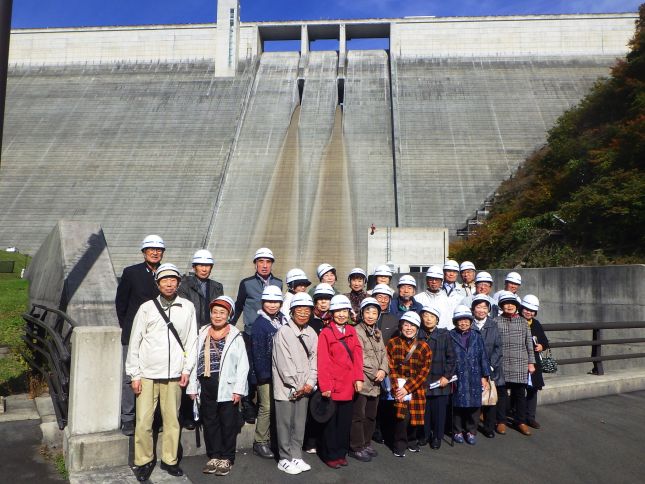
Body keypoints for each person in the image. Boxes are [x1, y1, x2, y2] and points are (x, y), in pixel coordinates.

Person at [126, 263, 198, 481]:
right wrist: (134, 374)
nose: (169, 284)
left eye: (173, 280)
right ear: (157, 284)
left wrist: (186, 369)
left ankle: (170, 460)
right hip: (147, 374)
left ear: (178, 283)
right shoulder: (146, 308)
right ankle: (143, 461)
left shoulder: (187, 307)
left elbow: (191, 342)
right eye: (164, 280)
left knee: (172, 420)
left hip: (174, 374)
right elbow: (135, 342)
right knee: (144, 420)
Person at [187, 295, 249, 477]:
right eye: (215, 312)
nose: (218, 316)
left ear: (228, 315)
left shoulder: (235, 335)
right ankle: (214, 455)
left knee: (228, 423)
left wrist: (239, 389)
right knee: (210, 421)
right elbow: (193, 359)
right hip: (206, 384)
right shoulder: (202, 332)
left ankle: (227, 457)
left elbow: (243, 365)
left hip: (227, 385)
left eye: (222, 312)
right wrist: (192, 386)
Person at [115, 234, 165, 436]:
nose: (155, 252)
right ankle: (128, 418)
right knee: (130, 377)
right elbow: (121, 304)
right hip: (133, 334)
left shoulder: (166, 273)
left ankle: (154, 418)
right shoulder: (131, 273)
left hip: (159, 335)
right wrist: (129, 326)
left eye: (158, 249)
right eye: (151, 249)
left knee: (157, 376)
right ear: (144, 252)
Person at [232, 247, 283, 424]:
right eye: (260, 261)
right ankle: (248, 404)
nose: (264, 265)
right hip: (250, 333)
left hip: (271, 334)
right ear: (255, 264)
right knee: (249, 369)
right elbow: (238, 306)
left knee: (267, 370)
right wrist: (229, 328)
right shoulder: (246, 283)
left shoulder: (278, 283)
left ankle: (263, 403)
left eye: (268, 262)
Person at [177, 249, 224, 429]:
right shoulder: (184, 285)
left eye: (207, 266)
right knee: (188, 374)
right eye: (201, 265)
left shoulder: (216, 286)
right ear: (194, 267)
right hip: (191, 334)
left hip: (210, 334)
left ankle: (205, 413)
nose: (204, 269)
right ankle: (187, 414)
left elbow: (220, 310)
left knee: (207, 374)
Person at [272, 293, 318, 475]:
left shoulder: (311, 332)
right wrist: (297, 385)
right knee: (284, 423)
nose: (303, 313)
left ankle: (296, 455)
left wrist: (310, 382)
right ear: (291, 312)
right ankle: (284, 458)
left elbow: (315, 359)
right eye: (299, 310)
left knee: (299, 422)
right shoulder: (283, 332)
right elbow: (283, 363)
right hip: (286, 388)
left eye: (307, 310)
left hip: (304, 387)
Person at [317, 295, 364, 469]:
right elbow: (323, 361)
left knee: (345, 422)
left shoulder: (352, 331)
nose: (341, 315)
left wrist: (359, 378)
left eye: (344, 311)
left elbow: (358, 356)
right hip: (334, 385)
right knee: (331, 423)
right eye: (338, 311)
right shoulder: (326, 333)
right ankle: (329, 454)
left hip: (349, 384)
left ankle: (341, 452)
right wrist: (326, 386)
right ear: (332, 313)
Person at [386, 311, 432, 457]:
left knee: (415, 416)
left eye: (412, 325)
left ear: (417, 328)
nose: (409, 328)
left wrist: (408, 388)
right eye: (406, 324)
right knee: (401, 417)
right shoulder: (392, 343)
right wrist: (397, 388)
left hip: (416, 387)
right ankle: (399, 444)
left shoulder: (424, 346)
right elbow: (389, 367)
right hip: (398, 386)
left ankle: (412, 441)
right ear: (401, 326)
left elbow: (424, 371)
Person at [251, 286, 288, 459]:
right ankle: (260, 442)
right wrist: (264, 375)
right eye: (269, 301)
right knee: (266, 406)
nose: (272, 305)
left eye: (276, 302)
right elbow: (258, 354)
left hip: (280, 372)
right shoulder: (260, 324)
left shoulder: (283, 319)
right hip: (266, 374)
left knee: (277, 406)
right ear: (263, 302)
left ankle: (273, 438)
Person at [350, 298, 388, 462]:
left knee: (371, 415)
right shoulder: (356, 330)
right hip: (363, 380)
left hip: (376, 381)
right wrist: (376, 372)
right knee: (358, 415)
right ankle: (356, 446)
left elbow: (384, 354)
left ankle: (366, 443)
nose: (370, 316)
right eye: (367, 312)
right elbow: (360, 357)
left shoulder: (377, 332)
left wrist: (383, 370)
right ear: (361, 313)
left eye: (374, 313)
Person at [494, 291, 535, 436]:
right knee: (502, 394)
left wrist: (531, 362)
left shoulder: (523, 322)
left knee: (519, 394)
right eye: (506, 303)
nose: (509, 306)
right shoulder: (496, 321)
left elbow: (529, 343)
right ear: (502, 306)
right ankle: (501, 421)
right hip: (502, 363)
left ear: (517, 306)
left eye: (512, 304)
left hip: (520, 362)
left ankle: (521, 421)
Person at [449, 305, 490, 445]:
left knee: (474, 405)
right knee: (458, 405)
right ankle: (457, 431)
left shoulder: (476, 336)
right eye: (460, 320)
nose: (463, 323)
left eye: (466, 320)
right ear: (455, 322)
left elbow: (483, 356)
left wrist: (485, 376)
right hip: (457, 376)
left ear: (471, 321)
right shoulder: (450, 335)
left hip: (474, 374)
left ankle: (471, 431)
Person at [417, 305, 455, 449]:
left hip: (440, 379)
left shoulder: (444, 335)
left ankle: (437, 437)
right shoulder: (418, 334)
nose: (428, 319)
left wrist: (447, 376)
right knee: (425, 410)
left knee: (439, 411)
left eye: (432, 316)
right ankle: (425, 435)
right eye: (425, 316)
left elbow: (452, 358)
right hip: (423, 379)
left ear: (437, 320)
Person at [471, 294, 503, 439]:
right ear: (472, 309)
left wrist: (490, 366)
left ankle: (489, 427)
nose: (481, 310)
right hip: (472, 369)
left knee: (490, 399)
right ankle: (472, 427)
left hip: (491, 368)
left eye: (485, 307)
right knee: (474, 399)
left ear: (489, 310)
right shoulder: (468, 324)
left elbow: (498, 347)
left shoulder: (493, 325)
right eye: (478, 307)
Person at [521, 295, 550, 430]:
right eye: (526, 309)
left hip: (535, 362)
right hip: (520, 361)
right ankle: (520, 417)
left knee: (532, 390)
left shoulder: (536, 324)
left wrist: (541, 346)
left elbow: (544, 341)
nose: (529, 312)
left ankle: (530, 417)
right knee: (519, 390)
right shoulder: (516, 321)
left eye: (532, 310)